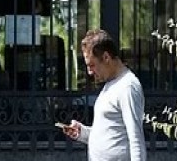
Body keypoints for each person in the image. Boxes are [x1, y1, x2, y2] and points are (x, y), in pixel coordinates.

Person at [62, 29, 147, 161]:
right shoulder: (111, 83)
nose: (90, 72)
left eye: (92, 65)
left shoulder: (127, 87)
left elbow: (136, 139)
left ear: (106, 57)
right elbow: (111, 134)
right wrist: (83, 133)